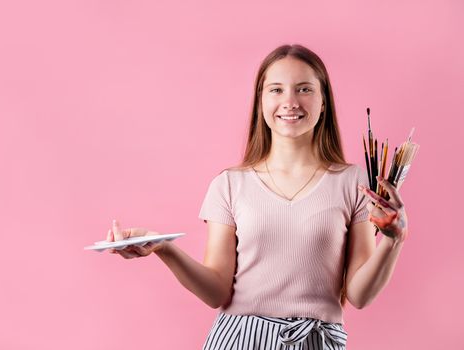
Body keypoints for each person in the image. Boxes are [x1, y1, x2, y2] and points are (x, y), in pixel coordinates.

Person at [104, 44, 409, 350]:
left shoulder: (353, 182)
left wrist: (394, 239)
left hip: (317, 340)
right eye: (276, 90)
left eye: (304, 89)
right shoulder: (229, 185)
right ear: (261, 101)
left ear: (324, 101)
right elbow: (216, 292)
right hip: (240, 339)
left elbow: (359, 295)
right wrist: (163, 247)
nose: (290, 102)